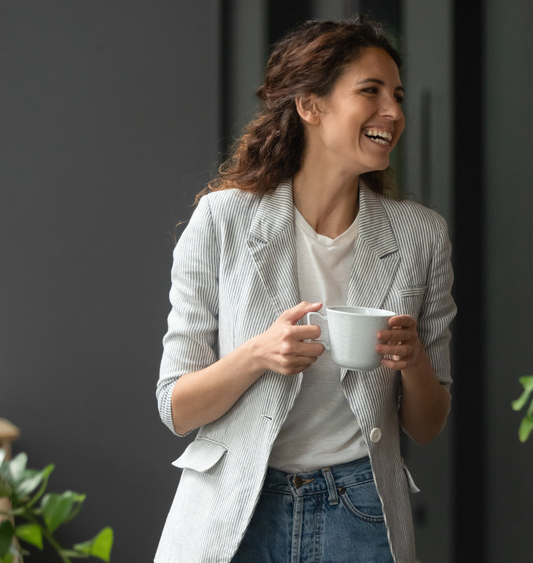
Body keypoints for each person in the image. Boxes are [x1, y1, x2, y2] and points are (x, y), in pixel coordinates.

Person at [154, 17, 455, 563]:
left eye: (398, 95)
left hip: (361, 510)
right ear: (310, 106)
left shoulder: (420, 236)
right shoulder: (224, 220)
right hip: (236, 507)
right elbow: (175, 407)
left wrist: (412, 361)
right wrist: (258, 355)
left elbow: (428, 424)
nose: (394, 111)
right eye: (370, 91)